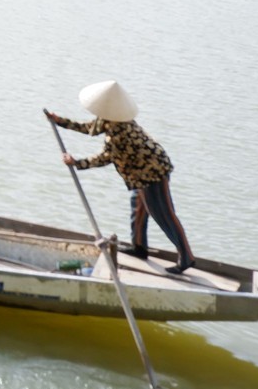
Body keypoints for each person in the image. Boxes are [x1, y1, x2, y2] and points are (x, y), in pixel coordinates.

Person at [44, 79, 196, 274]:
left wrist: (77, 162)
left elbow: (105, 157)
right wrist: (61, 121)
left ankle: (187, 257)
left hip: (152, 173)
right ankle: (139, 248)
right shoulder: (110, 118)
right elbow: (89, 128)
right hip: (140, 174)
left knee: (164, 215)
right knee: (138, 211)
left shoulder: (119, 130)